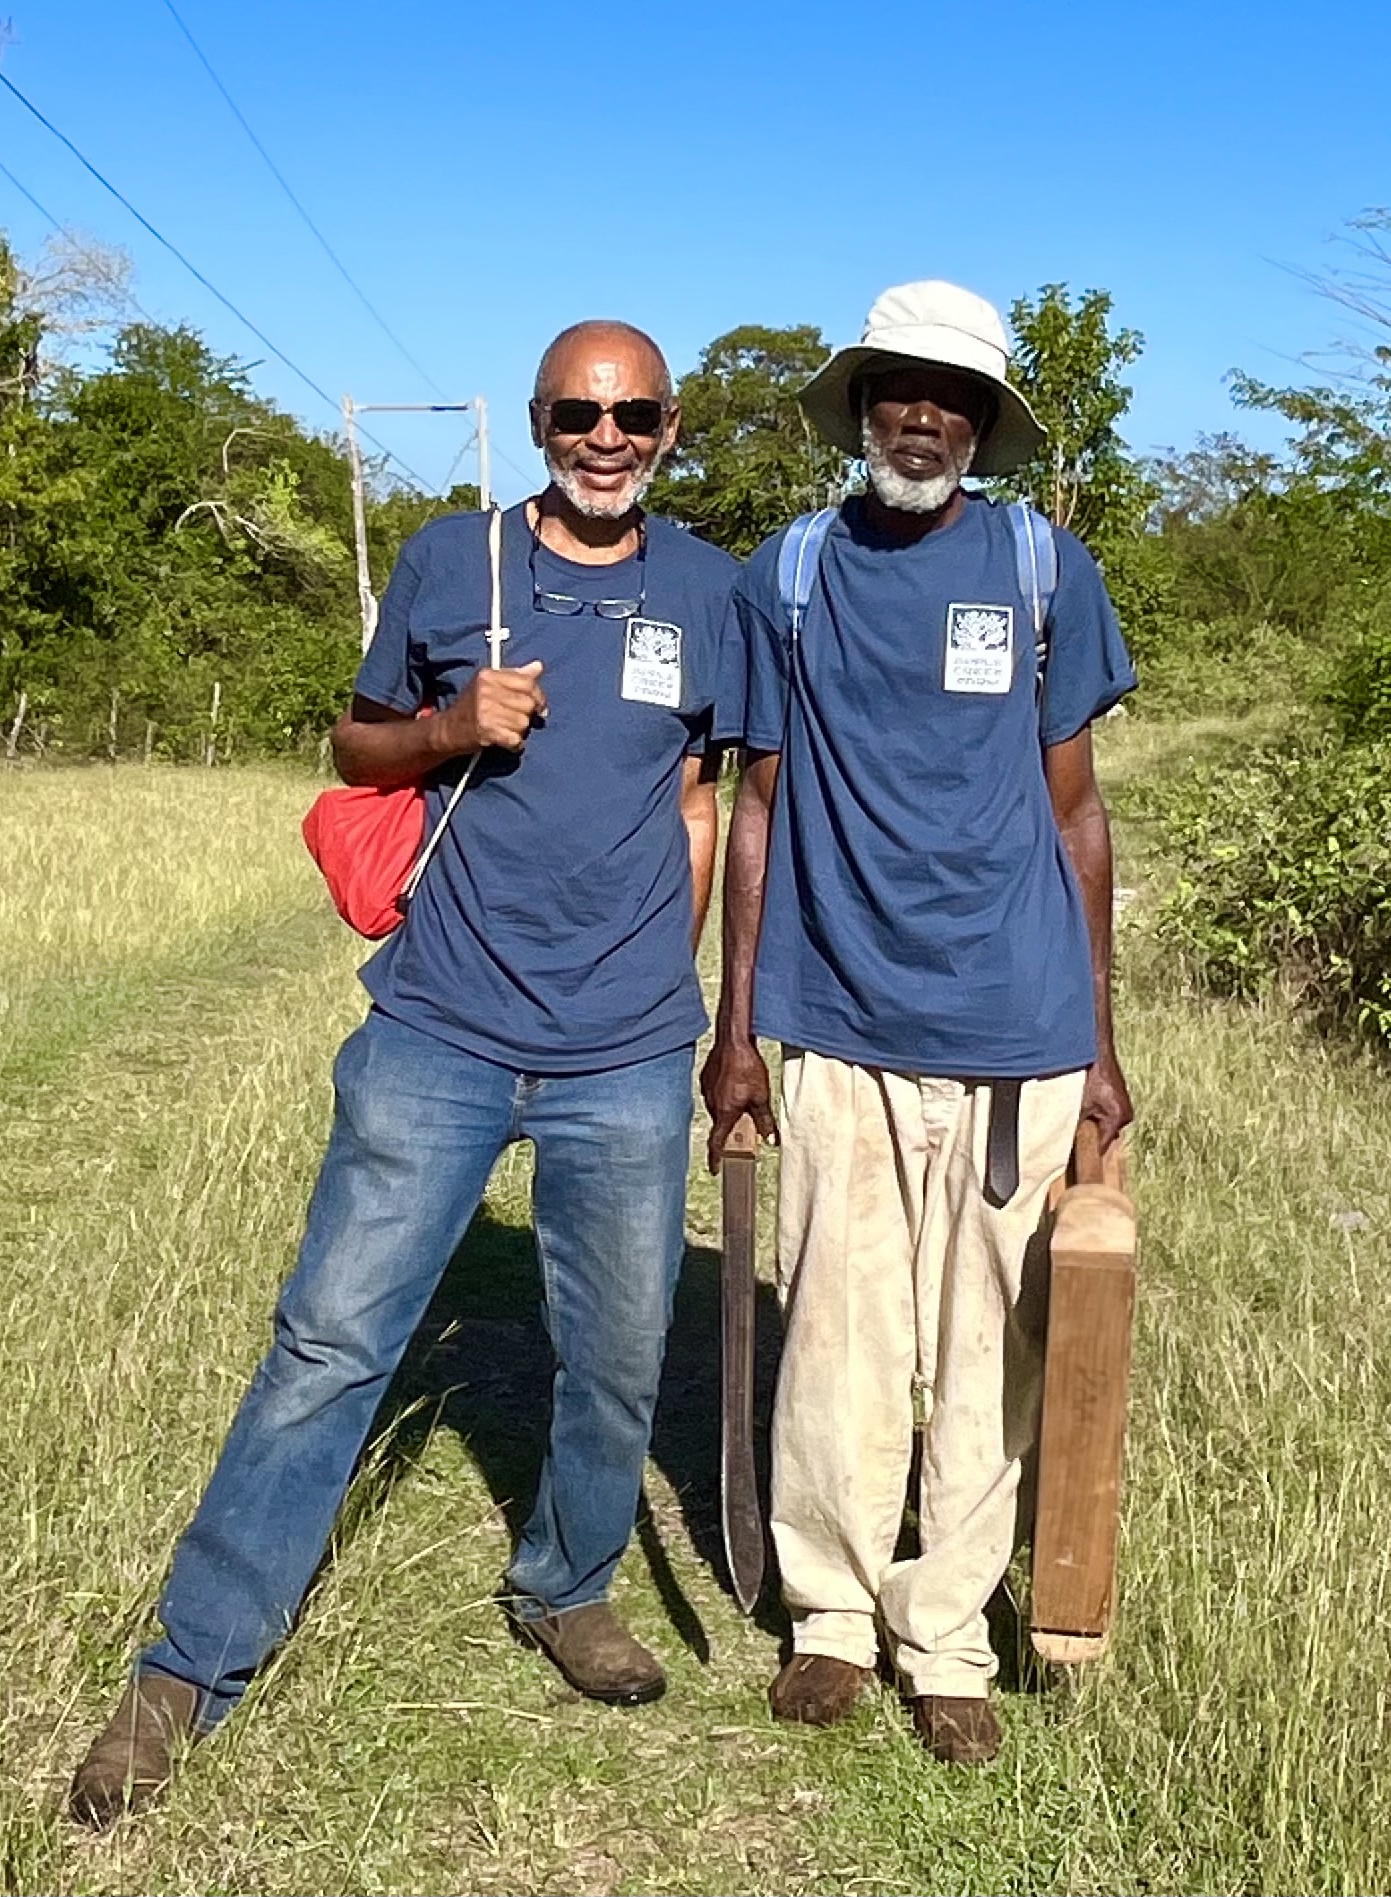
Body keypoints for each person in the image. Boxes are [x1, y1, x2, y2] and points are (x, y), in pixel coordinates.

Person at [71, 319, 740, 1828]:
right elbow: (355, 746)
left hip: (626, 1051)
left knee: (619, 1349)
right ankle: (190, 1664)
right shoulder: (455, 560)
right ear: (540, 421)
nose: (607, 438)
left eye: (634, 414)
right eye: (578, 412)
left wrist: (682, 993)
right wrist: (449, 724)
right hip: (439, 1027)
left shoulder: (711, 590)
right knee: (329, 1343)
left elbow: (700, 799)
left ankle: (567, 1584)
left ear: (671, 427)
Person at [702, 280, 1136, 1766]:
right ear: (863, 403)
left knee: (989, 1348)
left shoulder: (1042, 568)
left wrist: (1103, 1043)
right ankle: (830, 1616)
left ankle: (945, 1634)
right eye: (901, 388)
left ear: (984, 424)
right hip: (837, 1014)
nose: (924, 417)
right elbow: (757, 808)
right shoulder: (791, 574)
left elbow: (1077, 814)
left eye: (954, 397)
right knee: (835, 1330)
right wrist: (737, 1028)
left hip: (1019, 1026)